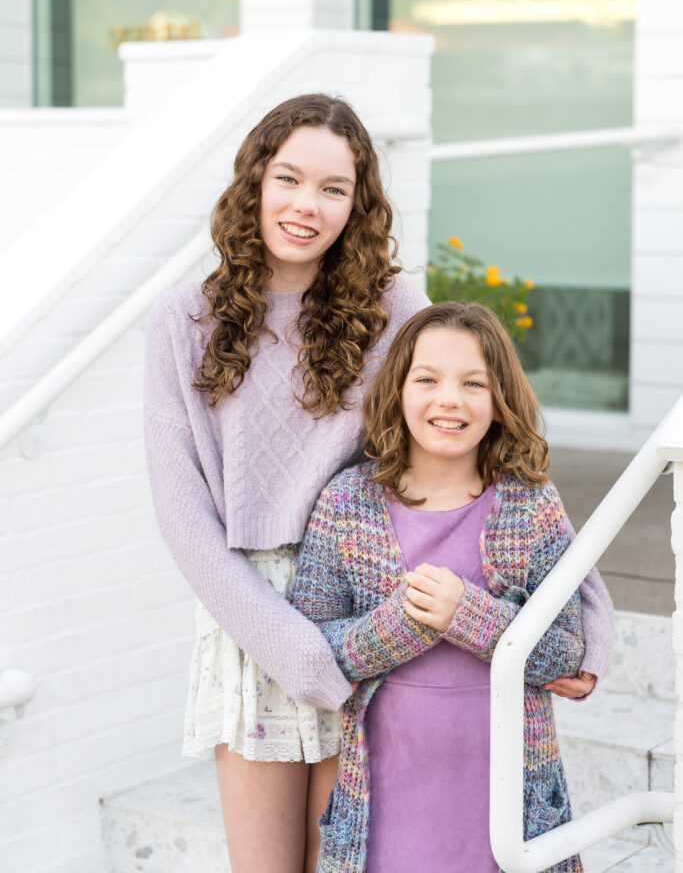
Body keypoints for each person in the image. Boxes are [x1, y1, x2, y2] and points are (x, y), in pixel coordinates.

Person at [143, 94, 610, 873]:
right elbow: (184, 519)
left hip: (370, 597)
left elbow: (493, 442)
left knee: (355, 856)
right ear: (253, 180)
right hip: (254, 619)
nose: (306, 206)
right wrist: (298, 654)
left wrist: (584, 632)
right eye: (288, 178)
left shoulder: (392, 306)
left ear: (357, 203)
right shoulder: (180, 320)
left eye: (333, 189)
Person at [291, 301, 610, 873]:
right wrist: (403, 623)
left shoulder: (529, 504)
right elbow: (314, 650)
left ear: (500, 398)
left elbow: (567, 650)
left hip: (505, 799)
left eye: (473, 383)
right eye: (428, 379)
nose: (449, 399)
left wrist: (471, 617)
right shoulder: (347, 502)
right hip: (388, 798)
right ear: (398, 389)